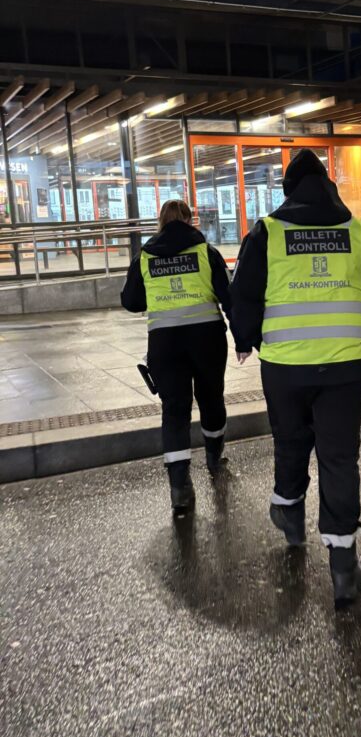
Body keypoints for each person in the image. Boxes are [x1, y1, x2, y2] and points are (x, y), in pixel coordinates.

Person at [231, 149, 361, 608]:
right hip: (348, 366)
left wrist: (246, 339)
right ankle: (343, 562)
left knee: (290, 440)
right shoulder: (358, 232)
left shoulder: (266, 233)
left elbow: (242, 294)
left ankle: (288, 511)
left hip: (286, 365)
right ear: (328, 186)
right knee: (339, 455)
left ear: (288, 192)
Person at [120, 200, 250, 516]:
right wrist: (243, 339)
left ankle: (180, 487)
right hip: (207, 339)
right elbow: (229, 297)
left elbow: (131, 301)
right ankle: (213, 455)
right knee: (210, 397)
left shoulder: (145, 257)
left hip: (165, 344)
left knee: (175, 411)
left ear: (161, 222)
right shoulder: (207, 252)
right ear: (190, 221)